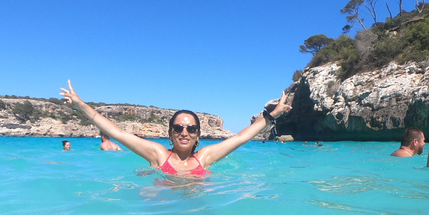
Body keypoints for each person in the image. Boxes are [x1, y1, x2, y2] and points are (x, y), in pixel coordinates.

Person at [60, 80, 291, 176]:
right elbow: (118, 133)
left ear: (198, 135)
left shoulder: (205, 157)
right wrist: (81, 106)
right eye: (179, 128)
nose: (184, 132)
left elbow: (240, 138)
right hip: (161, 212)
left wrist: (272, 115)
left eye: (191, 129)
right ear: (170, 133)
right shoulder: (158, 155)